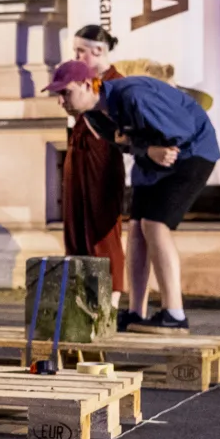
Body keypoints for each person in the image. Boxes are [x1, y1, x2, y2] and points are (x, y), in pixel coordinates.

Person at [43, 60, 220, 335]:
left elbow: (181, 130)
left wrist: (149, 147)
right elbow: (120, 143)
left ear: (86, 84)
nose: (60, 101)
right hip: (153, 159)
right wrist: (147, 149)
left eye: (64, 93)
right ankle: (136, 312)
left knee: (154, 224)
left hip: (192, 153)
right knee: (137, 227)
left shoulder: (132, 94)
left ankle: (175, 314)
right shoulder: (92, 115)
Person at [67, 25, 127, 310]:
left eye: (81, 51)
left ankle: (112, 298)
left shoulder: (116, 82)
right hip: (78, 152)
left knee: (102, 223)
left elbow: (114, 127)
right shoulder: (84, 79)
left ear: (99, 50)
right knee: (76, 219)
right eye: (76, 50)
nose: (77, 56)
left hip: (102, 156)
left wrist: (83, 108)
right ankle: (81, 292)